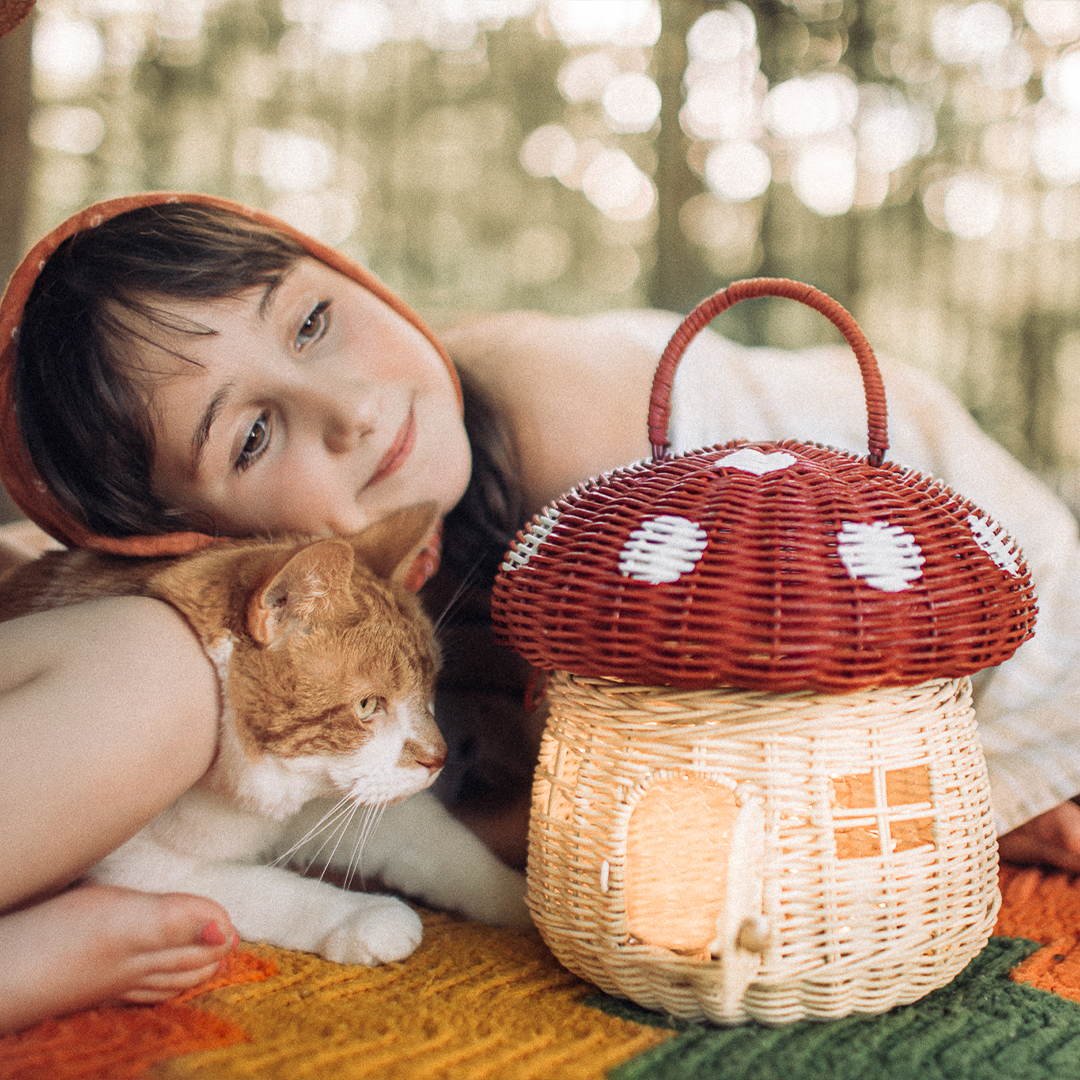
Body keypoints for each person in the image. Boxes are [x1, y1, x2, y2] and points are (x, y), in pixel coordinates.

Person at [3, 192, 1080, 1033]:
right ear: (189, 537)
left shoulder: (571, 427)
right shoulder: (297, 610)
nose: (354, 407)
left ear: (353, 275)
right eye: (250, 437)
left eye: (315, 320)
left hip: (958, 583)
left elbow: (685, 795)